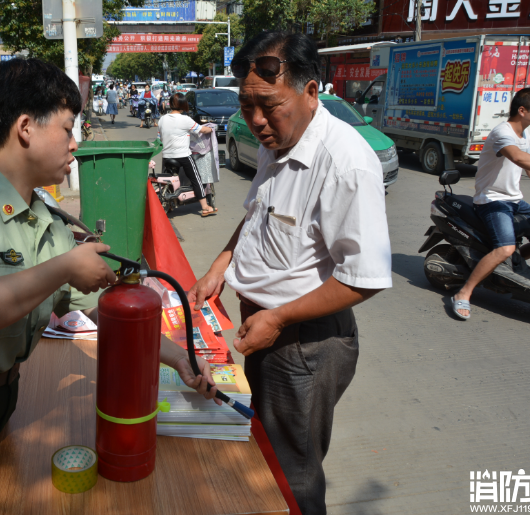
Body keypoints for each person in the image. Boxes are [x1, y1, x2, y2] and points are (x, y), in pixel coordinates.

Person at [0, 58, 218, 515]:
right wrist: (63, 268)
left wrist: (181, 359)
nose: (76, 144)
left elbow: (100, 310)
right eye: (69, 128)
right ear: (25, 127)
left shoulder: (48, 222)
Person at [188, 32, 392, 514]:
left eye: (270, 105)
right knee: (269, 450)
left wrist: (277, 319)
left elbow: (363, 278)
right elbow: (260, 211)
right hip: (267, 329)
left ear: (311, 91)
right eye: (246, 104)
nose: (256, 120)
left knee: (292, 472)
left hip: (305, 346)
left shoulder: (344, 162)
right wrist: (222, 262)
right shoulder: (275, 142)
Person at [451, 88, 530, 319]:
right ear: (522, 110)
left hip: (514, 200)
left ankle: (501, 268)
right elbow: (518, 157)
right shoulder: (503, 132)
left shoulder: (525, 134)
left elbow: (528, 165)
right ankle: (464, 292)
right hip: (492, 200)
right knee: (505, 248)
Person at [158, 93, 217, 217]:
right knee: (196, 179)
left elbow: (160, 136)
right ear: (184, 105)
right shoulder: (185, 119)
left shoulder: (162, 119)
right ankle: (205, 207)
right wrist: (212, 129)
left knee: (168, 178)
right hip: (183, 156)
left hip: (167, 155)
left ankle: (169, 203)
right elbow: (202, 130)